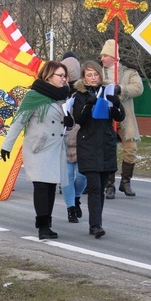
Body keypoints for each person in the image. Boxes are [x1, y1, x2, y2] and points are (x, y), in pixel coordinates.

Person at [0, 60, 73, 240]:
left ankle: (47, 223)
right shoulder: (33, 96)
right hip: (38, 148)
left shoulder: (64, 97)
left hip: (56, 148)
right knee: (41, 186)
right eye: (60, 76)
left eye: (65, 76)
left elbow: (66, 122)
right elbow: (19, 122)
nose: (64, 79)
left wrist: (70, 122)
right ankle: (42, 227)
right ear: (49, 76)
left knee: (50, 188)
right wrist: (6, 145)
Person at [72, 61, 125, 238]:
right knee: (94, 186)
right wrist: (88, 104)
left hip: (106, 144)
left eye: (96, 74)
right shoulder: (79, 94)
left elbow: (119, 116)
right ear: (83, 77)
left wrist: (116, 102)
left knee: (101, 186)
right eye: (89, 75)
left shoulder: (107, 91)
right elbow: (79, 120)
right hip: (88, 144)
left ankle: (96, 222)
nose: (93, 78)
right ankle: (95, 225)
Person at [100, 39, 143, 199]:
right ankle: (109, 186)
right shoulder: (99, 72)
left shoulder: (129, 72)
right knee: (109, 152)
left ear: (113, 56)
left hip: (125, 118)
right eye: (102, 56)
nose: (102, 58)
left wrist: (120, 89)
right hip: (106, 118)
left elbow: (138, 88)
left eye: (105, 55)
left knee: (131, 150)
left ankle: (125, 182)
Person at [61, 54, 87, 223]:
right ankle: (71, 207)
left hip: (83, 138)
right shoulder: (58, 91)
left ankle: (76, 197)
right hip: (63, 138)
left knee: (82, 175)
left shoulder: (83, 92)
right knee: (67, 176)